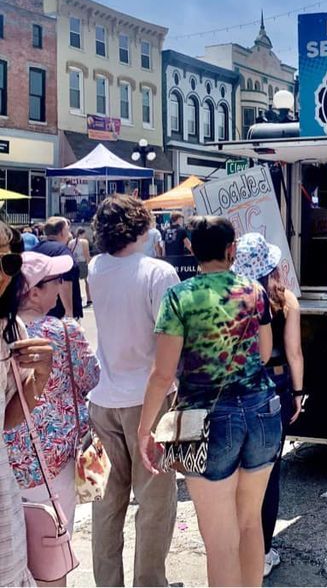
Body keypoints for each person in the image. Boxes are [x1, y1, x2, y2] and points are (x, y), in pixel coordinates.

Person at [139, 216, 282, 587]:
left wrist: (145, 429)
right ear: (231, 248)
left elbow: (162, 373)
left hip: (205, 419)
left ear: (190, 247)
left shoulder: (179, 297)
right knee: (250, 523)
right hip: (262, 408)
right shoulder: (254, 290)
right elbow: (265, 353)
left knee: (220, 541)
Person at [86, 195, 181, 587]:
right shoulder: (159, 273)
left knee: (106, 504)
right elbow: (171, 341)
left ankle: (108, 583)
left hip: (103, 396)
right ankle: (149, 582)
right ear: (141, 226)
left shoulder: (96, 267)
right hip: (149, 399)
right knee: (155, 503)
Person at [4, 253, 99, 561]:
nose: (61, 286)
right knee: (51, 554)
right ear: (34, 292)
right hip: (52, 461)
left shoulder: (6, 332)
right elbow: (92, 379)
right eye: (56, 280)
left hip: (8, 463)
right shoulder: (64, 332)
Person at [230, 232, 305, 578]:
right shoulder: (284, 299)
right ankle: (261, 552)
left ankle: (236, 548)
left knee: (236, 472)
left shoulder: (228, 297)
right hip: (275, 387)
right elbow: (294, 352)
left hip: (235, 387)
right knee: (268, 472)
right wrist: (299, 392)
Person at [0, 220, 55, 586]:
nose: (1, 273)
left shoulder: (8, 329)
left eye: (8, 262)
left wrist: (41, 376)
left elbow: (6, 420)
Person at [34, 218, 80, 321]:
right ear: (62, 232)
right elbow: (65, 282)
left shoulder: (34, 250)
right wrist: (69, 314)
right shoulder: (63, 252)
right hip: (59, 314)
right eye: (68, 230)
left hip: (37, 313)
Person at [67, 228, 92, 308]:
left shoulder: (71, 242)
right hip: (82, 263)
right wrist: (89, 263)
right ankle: (89, 299)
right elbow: (86, 254)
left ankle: (76, 299)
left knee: (75, 282)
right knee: (87, 281)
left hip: (74, 263)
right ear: (83, 233)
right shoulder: (84, 242)